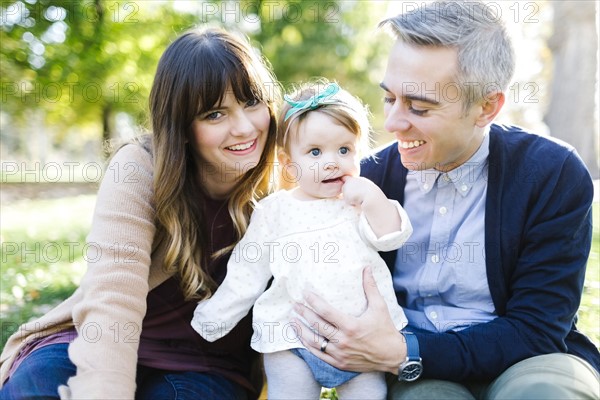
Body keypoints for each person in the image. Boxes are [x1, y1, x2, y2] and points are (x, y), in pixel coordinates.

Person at [292, 1, 600, 399]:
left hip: (527, 359)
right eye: (390, 99)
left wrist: (406, 349)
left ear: (486, 107)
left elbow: (537, 329)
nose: (393, 124)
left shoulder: (551, 174)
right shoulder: (367, 180)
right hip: (415, 372)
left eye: (419, 107)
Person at [0, 27, 279, 399]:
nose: (244, 127)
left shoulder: (289, 180)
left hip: (204, 366)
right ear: (181, 126)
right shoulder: (139, 167)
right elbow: (114, 292)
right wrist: (104, 389)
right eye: (215, 114)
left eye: (252, 102)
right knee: (34, 389)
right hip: (99, 341)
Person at [192, 80, 413, 399]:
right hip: (291, 337)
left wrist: (373, 199)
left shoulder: (356, 201)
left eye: (344, 149)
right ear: (287, 162)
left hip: (364, 339)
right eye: (314, 152)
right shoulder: (274, 212)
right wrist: (212, 320)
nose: (332, 161)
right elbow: (246, 273)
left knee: (369, 394)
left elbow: (391, 237)